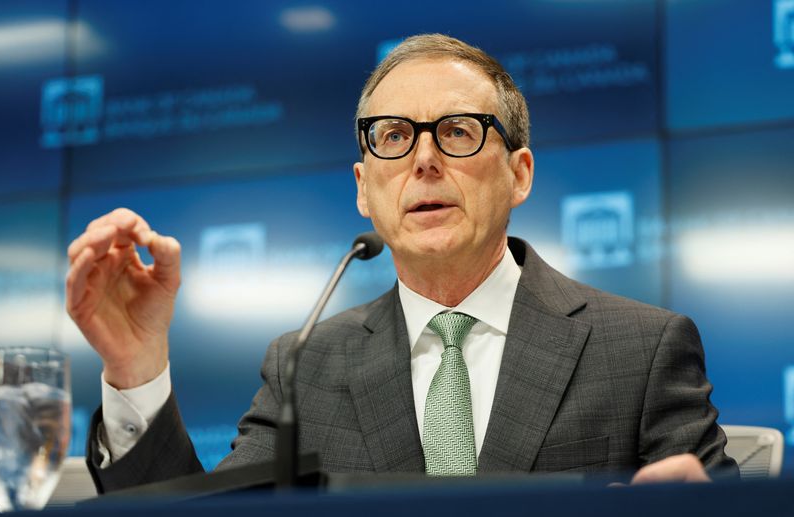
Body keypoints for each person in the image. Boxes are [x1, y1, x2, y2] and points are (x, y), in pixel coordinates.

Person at [65, 34, 736, 492]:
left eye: (456, 131)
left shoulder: (642, 349)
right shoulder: (305, 365)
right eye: (392, 137)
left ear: (520, 173)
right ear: (363, 188)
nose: (422, 159)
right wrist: (137, 367)